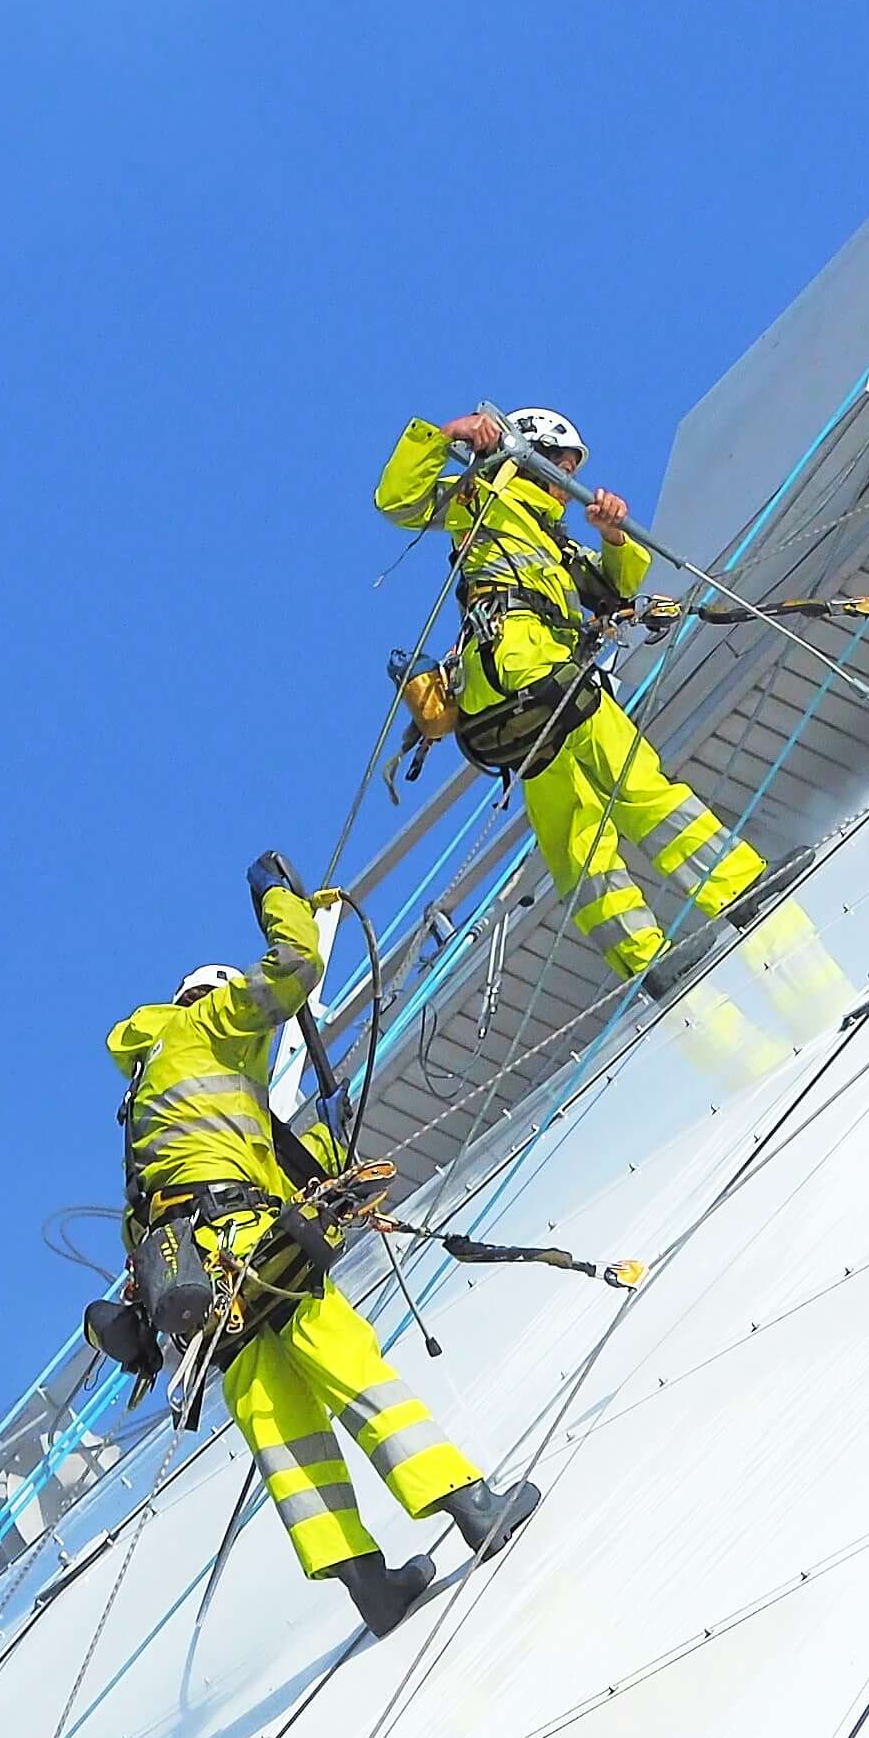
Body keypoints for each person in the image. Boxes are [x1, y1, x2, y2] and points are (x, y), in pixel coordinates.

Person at [107, 875, 534, 1635]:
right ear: (208, 997)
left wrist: (329, 1160)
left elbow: (254, 1174)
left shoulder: (149, 1106)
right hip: (246, 1245)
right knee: (347, 1364)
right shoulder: (208, 1025)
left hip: (199, 1293)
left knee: (283, 1430)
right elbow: (296, 965)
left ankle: (371, 1588)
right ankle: (470, 1506)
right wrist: (281, 897)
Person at [374, 405, 769, 985]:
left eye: (568, 467)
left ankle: (643, 963)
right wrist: (449, 434)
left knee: (573, 832)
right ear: (524, 454)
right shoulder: (482, 500)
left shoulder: (555, 545)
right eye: (557, 463)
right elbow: (398, 501)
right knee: (635, 782)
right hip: (537, 670)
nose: (564, 479)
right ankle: (736, 887)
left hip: (503, 702)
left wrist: (614, 538)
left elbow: (611, 592)